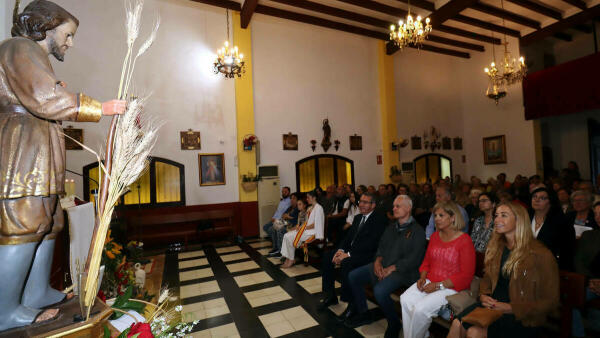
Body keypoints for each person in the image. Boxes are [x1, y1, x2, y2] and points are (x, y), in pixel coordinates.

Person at [0, 0, 126, 331]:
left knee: (47, 222)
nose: (69, 43)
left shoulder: (33, 55)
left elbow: (43, 94)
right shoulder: (19, 47)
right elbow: (43, 97)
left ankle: (37, 291)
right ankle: (4, 310)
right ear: (45, 27)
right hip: (23, 150)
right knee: (24, 224)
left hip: (38, 150)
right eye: (67, 35)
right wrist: (102, 107)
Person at [448, 202, 559, 338]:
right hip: (493, 306)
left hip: (521, 315)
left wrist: (511, 308)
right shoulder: (497, 247)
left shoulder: (540, 254)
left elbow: (551, 301)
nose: (497, 220)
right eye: (496, 215)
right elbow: (487, 280)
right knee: (456, 324)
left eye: (504, 215)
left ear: (519, 220)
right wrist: (483, 295)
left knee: (474, 332)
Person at [346, 195, 426, 338]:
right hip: (384, 265)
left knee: (380, 291)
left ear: (408, 208)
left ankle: (394, 322)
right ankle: (364, 312)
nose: (393, 209)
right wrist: (377, 262)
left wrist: (391, 268)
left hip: (404, 272)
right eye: (394, 206)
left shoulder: (417, 231)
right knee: (354, 276)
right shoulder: (391, 227)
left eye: (397, 206)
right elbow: (381, 248)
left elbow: (414, 259)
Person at [400, 201, 475, 338]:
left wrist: (438, 285)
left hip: (451, 286)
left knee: (420, 310)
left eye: (441, 215)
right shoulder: (435, 236)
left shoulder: (465, 240)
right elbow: (427, 262)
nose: (437, 219)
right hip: (430, 280)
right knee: (405, 299)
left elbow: (466, 276)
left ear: (453, 218)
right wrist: (422, 277)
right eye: (435, 215)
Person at [318, 192, 386, 311]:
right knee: (328, 256)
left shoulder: (379, 220)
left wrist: (348, 255)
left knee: (347, 263)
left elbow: (371, 245)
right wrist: (340, 250)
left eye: (365, 202)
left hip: (368, 255)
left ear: (373, 205)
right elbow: (348, 238)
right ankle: (330, 295)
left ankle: (351, 304)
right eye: (361, 202)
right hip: (352, 251)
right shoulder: (358, 217)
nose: (361, 205)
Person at [529, 187, 575, 270]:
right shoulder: (525, 218)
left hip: (550, 266)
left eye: (542, 198)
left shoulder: (562, 222)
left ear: (550, 202)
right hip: (526, 264)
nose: (536, 200)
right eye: (534, 196)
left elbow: (567, 251)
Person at [572, 202, 600, 337]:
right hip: (589, 282)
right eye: (596, 214)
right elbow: (579, 261)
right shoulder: (589, 235)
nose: (598, 217)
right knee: (570, 296)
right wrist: (591, 281)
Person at [281, 190, 324, 268]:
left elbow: (316, 224)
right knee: (286, 235)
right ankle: (288, 258)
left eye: (308, 197)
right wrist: (301, 227)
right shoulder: (310, 208)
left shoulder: (319, 208)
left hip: (313, 233)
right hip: (307, 230)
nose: (307, 199)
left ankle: (290, 260)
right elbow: (307, 221)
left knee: (289, 237)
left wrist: (304, 228)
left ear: (314, 198)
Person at [267, 193, 299, 257]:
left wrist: (288, 216)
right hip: (285, 223)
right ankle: (275, 248)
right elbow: (283, 215)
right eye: (291, 198)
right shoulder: (290, 208)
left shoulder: (298, 208)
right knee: (272, 228)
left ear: (297, 200)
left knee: (280, 229)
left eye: (293, 198)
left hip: (292, 225)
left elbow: (294, 218)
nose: (292, 200)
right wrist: (288, 216)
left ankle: (281, 251)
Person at [264, 187, 291, 254]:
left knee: (271, 229)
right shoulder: (281, 201)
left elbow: (283, 214)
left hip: (280, 220)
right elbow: (278, 211)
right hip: (275, 219)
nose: (283, 193)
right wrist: (273, 218)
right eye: (282, 192)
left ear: (289, 193)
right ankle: (275, 242)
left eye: (285, 192)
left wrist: (275, 220)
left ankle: (276, 246)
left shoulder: (289, 202)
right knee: (265, 227)